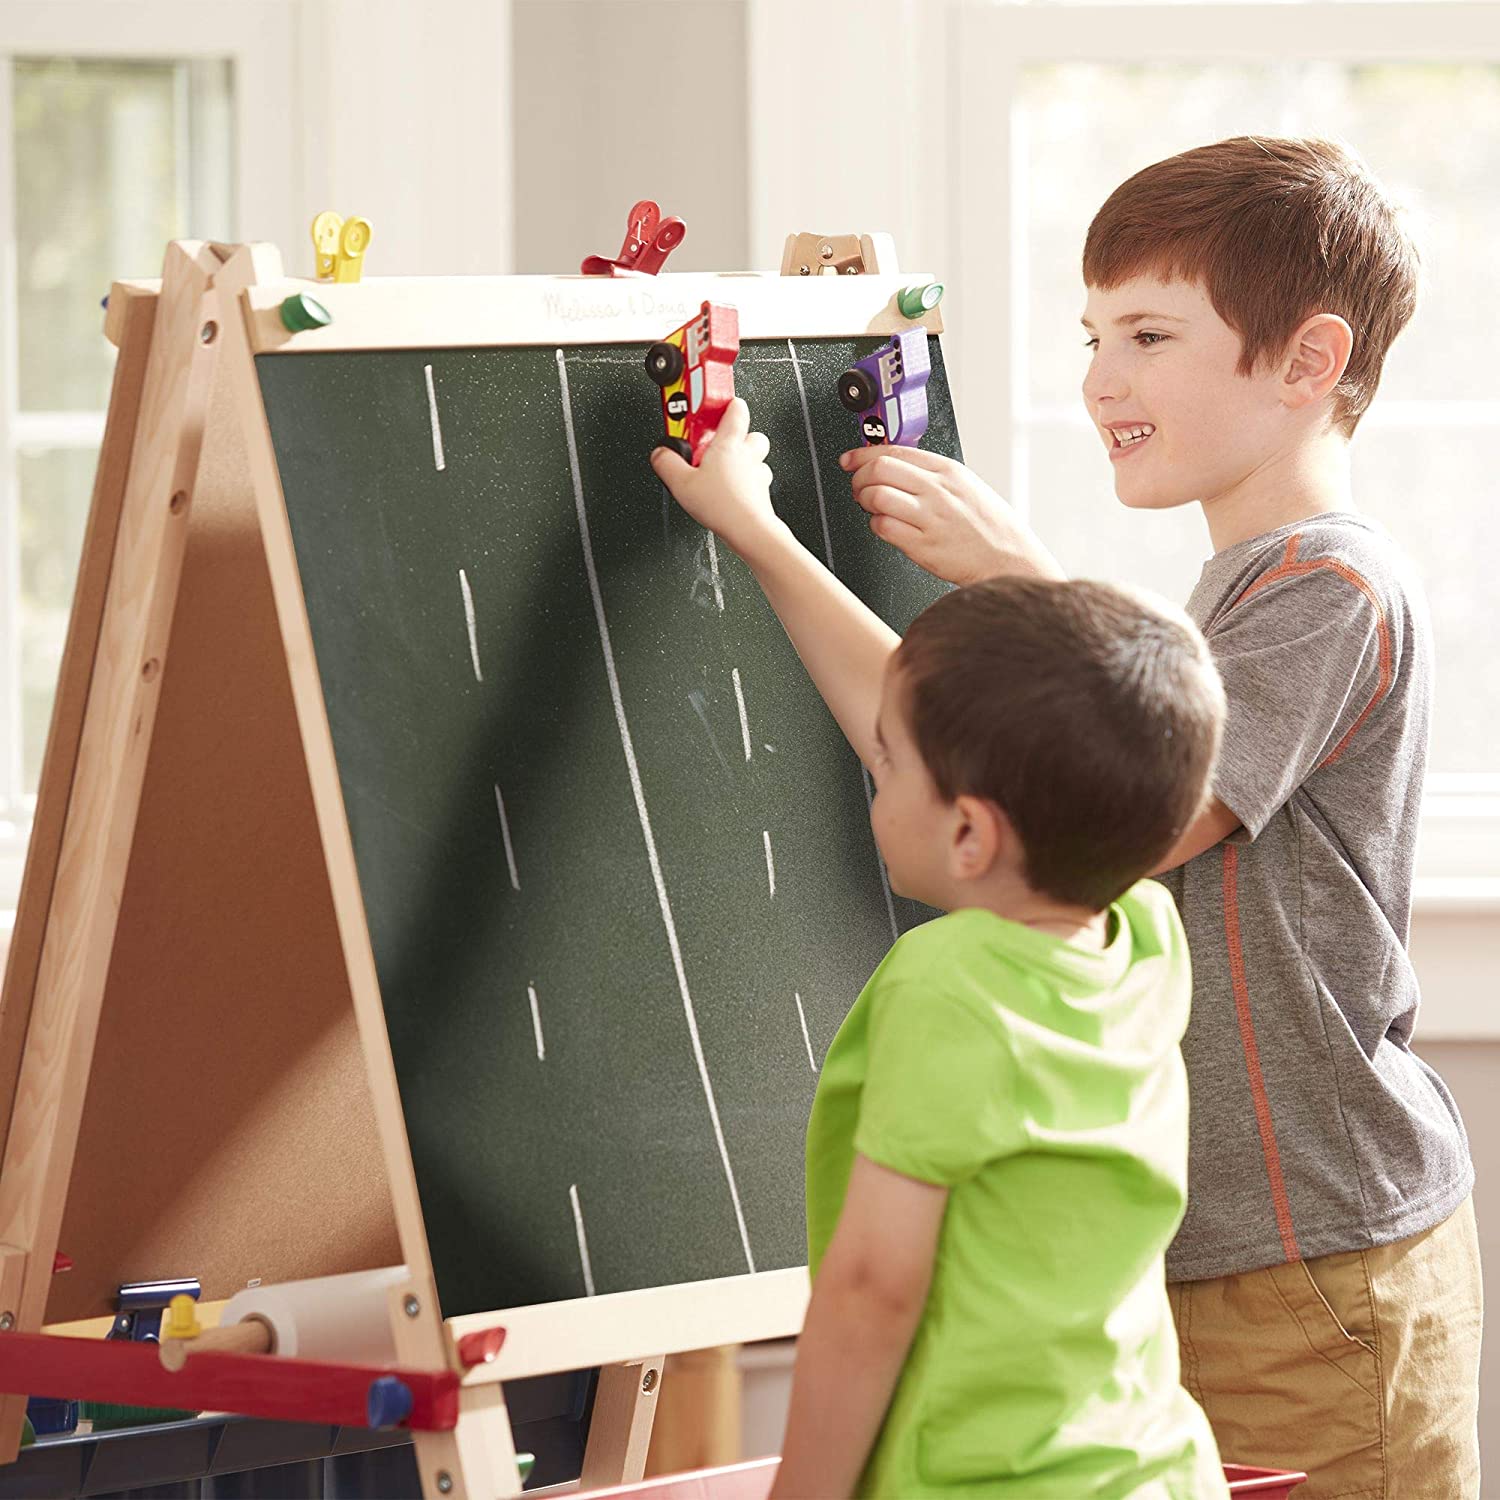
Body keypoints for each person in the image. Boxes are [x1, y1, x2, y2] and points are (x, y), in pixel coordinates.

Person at [656, 134, 1481, 1496]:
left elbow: (1126, 797)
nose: (1101, 379)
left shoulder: (1330, 587)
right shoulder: (1225, 595)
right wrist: (764, 540)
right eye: (1094, 334)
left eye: (1148, 335)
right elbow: (946, 748)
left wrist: (1026, 584)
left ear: (1307, 364)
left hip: (1316, 1272)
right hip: (1200, 1272)